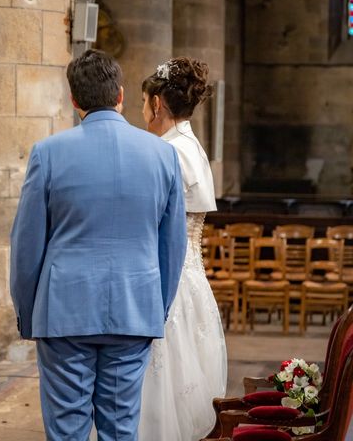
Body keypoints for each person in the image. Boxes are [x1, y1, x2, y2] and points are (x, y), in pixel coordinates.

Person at [10, 49, 187, 440]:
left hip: (62, 312)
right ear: (120, 95)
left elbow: (27, 244)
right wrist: (156, 307)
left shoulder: (48, 153)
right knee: (121, 428)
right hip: (134, 306)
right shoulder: (162, 155)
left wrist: (27, 313)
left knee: (66, 429)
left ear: (73, 100)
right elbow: (173, 247)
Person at [138, 57, 227, 440]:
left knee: (162, 378)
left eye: (143, 102)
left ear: (157, 103)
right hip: (191, 278)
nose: (141, 111)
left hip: (167, 275)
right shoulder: (192, 147)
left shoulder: (168, 152)